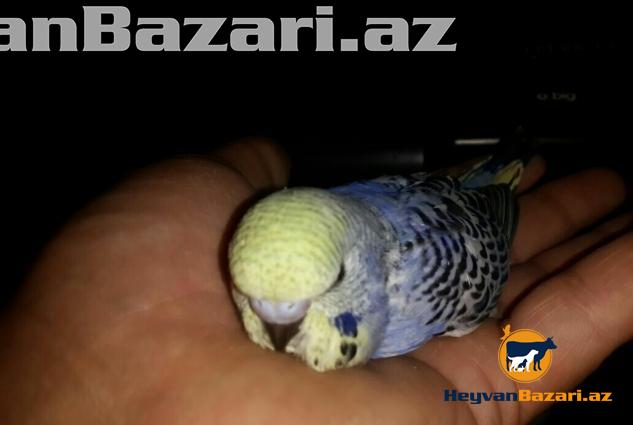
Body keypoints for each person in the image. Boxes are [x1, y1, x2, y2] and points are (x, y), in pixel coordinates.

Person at [0, 138, 630, 425]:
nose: (277, 321)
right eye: (253, 297)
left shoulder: (418, 277)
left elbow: (472, 249)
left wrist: (488, 215)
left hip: (452, 217)